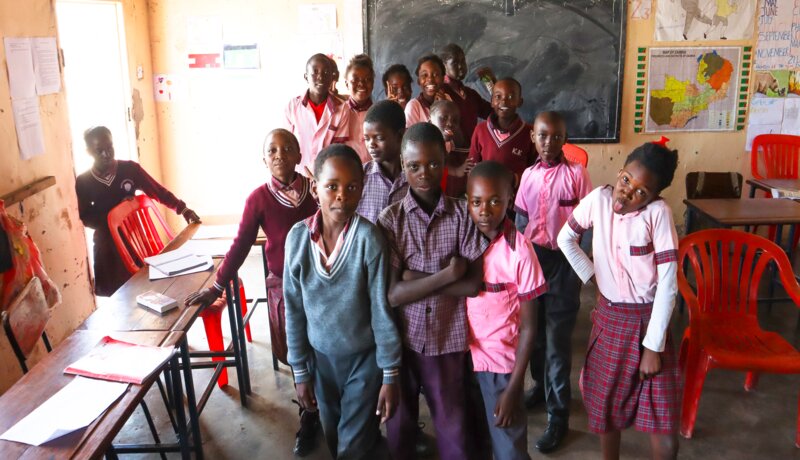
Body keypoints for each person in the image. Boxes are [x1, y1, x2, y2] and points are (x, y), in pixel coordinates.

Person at [184, 129, 321, 457]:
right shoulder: (258, 198)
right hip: (284, 286)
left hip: (322, 282)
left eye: (287, 148)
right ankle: (310, 414)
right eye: (272, 150)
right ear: (264, 160)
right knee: (296, 352)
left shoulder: (316, 190)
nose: (279, 155)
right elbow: (241, 244)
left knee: (326, 348)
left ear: (299, 155)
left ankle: (330, 408)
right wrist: (216, 286)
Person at [557, 139, 681, 460]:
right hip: (610, 319)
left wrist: (653, 347)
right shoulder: (598, 200)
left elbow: (668, 283)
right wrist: (593, 274)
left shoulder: (659, 215)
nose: (628, 192)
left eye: (642, 192)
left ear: (654, 196)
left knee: (662, 418)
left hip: (648, 321)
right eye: (627, 180)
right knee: (605, 407)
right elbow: (566, 237)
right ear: (619, 171)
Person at [284, 144, 402, 459]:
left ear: (362, 190)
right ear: (315, 189)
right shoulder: (297, 239)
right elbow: (294, 309)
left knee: (351, 445)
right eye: (332, 186)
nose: (341, 195)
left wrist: (389, 372)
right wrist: (300, 370)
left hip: (364, 359)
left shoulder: (368, 239)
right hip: (321, 360)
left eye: (352, 187)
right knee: (335, 435)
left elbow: (381, 309)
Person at [378, 122, 487, 460]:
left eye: (433, 164)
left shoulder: (462, 215)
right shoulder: (390, 219)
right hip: (402, 342)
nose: (424, 173)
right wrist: (447, 274)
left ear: (445, 161)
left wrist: (413, 278)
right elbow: (393, 295)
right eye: (413, 166)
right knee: (399, 423)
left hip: (447, 340)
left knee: (452, 423)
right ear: (403, 164)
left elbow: (472, 285)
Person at [513, 112, 592, 452]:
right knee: (535, 335)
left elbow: (589, 222)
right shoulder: (528, 176)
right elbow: (520, 222)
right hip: (534, 262)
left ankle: (558, 415)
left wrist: (580, 269)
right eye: (542, 136)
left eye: (556, 137)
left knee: (558, 340)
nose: (549, 143)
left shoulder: (577, 175)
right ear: (533, 138)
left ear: (565, 139)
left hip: (564, 263)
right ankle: (540, 388)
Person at [466, 161, 546, 460]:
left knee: (508, 447)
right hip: (466, 357)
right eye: (476, 202)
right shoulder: (463, 239)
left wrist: (514, 389)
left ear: (509, 201)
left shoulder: (520, 251)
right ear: (467, 202)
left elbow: (530, 327)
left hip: (501, 365)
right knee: (476, 437)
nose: (484, 210)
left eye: (495, 201)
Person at [75, 126, 200, 297]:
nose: (106, 154)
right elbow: (86, 217)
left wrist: (182, 208)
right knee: (118, 300)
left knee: (143, 290)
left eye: (109, 147)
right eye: (99, 151)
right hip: (107, 248)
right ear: (88, 151)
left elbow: (157, 191)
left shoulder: (129, 170)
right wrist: (117, 213)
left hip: (133, 242)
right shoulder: (84, 182)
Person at [284, 53, 351, 171]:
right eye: (315, 72)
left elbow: (338, 149)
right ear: (306, 77)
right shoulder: (293, 107)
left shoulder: (342, 108)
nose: (320, 77)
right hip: (299, 173)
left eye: (326, 73)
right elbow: (286, 143)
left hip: (327, 174)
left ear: (332, 78)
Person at [469, 78, 536, 183]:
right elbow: (472, 166)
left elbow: (535, 171)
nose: (504, 101)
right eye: (498, 96)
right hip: (486, 193)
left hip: (516, 196)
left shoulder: (530, 133)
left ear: (520, 102)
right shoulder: (480, 130)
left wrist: (514, 178)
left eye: (510, 97)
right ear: (492, 101)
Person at [356, 100, 408, 224]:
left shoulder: (415, 177)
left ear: (400, 135)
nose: (371, 145)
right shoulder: (360, 176)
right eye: (366, 139)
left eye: (379, 138)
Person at [439, 43, 494, 139]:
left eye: (462, 61)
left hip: (471, 151)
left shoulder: (470, 94)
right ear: (444, 67)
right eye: (455, 63)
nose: (460, 66)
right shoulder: (441, 93)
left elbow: (494, 114)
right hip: (450, 152)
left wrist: (491, 84)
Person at [429, 100, 473, 197]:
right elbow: (435, 164)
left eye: (455, 120)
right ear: (431, 119)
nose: (450, 123)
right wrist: (456, 171)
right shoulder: (426, 142)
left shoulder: (449, 144)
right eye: (444, 118)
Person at [344, 54, 376, 163]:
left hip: (374, 173)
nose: (361, 84)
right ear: (346, 84)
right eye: (355, 80)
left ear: (373, 83)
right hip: (346, 172)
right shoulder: (338, 113)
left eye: (367, 79)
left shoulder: (378, 113)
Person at [405, 55, 452, 127]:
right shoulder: (413, 106)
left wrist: (444, 107)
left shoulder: (447, 99)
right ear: (418, 81)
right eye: (425, 75)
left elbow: (453, 130)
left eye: (435, 74)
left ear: (443, 79)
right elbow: (410, 137)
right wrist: (436, 110)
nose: (430, 79)